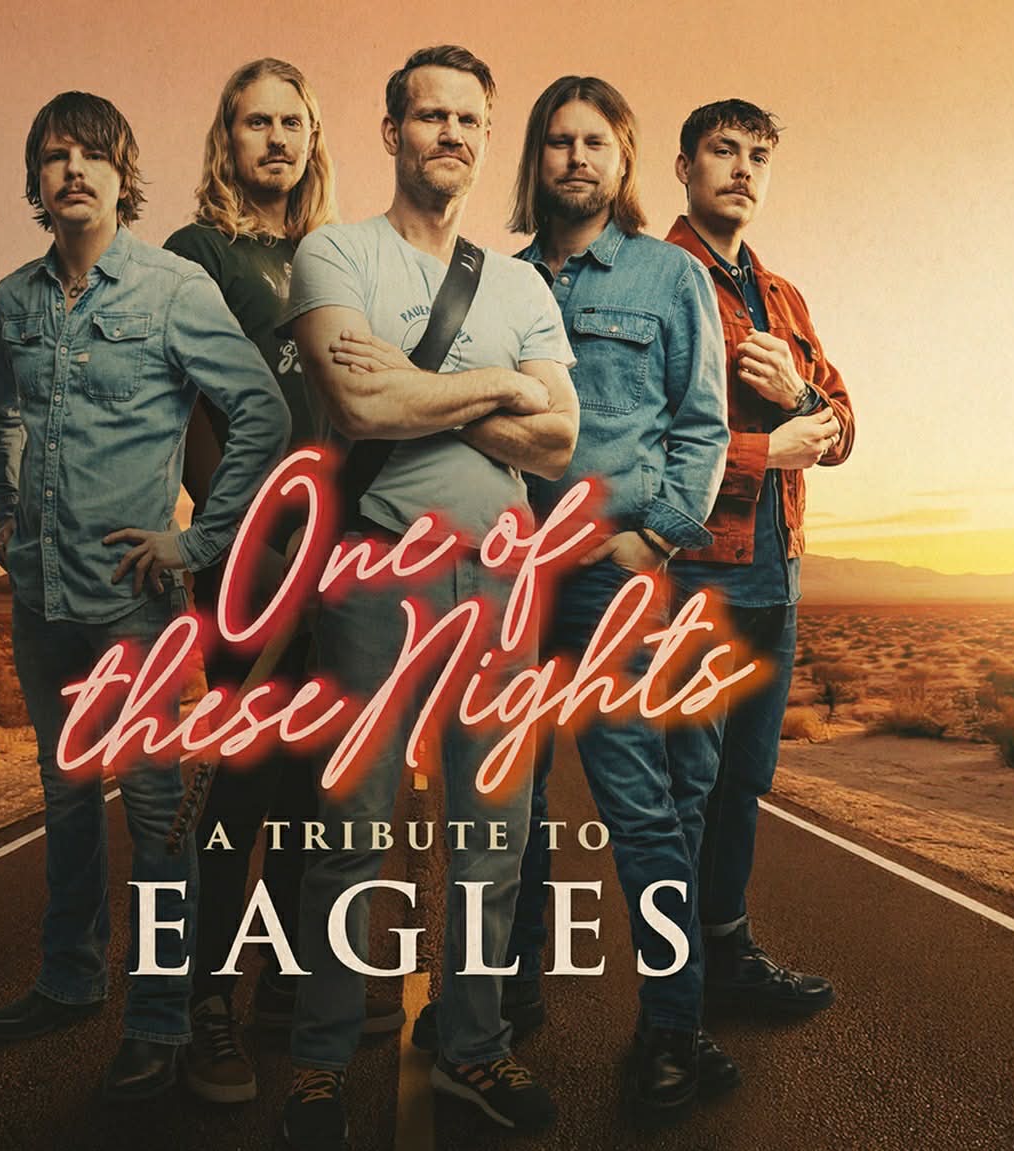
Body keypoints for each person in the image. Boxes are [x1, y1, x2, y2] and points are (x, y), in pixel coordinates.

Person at [275, 44, 579, 1150]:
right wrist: (499, 382)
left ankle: (470, 1045)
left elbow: (558, 439)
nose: (449, 134)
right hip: (372, 569)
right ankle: (316, 1065)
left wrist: (426, 394)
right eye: (429, 116)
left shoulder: (522, 284)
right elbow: (355, 401)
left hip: (498, 578)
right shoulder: (334, 253)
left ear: (483, 139)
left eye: (468, 120)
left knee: (490, 830)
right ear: (392, 132)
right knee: (350, 829)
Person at [0, 90, 289, 1102]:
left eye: (92, 157)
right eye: (54, 157)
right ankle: (67, 979)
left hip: (133, 607)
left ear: (122, 175)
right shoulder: (14, 299)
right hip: (41, 601)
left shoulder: (170, 288)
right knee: (64, 803)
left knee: (155, 819)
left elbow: (262, 414)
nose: (72, 172)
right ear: (36, 180)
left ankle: (156, 1020)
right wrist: (4, 514)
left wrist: (196, 538)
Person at [494, 74, 735, 1124]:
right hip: (506, 578)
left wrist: (653, 533)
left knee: (636, 804)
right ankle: (505, 1000)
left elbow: (703, 424)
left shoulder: (666, 278)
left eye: (595, 142)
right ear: (535, 160)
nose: (575, 158)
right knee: (507, 801)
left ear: (622, 162)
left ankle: (673, 1027)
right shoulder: (496, 288)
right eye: (557, 141)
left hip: (609, 571)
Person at [162, 57, 401, 1107]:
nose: (275, 140)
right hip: (249, 565)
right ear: (228, 139)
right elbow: (190, 420)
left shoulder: (338, 259)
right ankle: (202, 1005)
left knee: (315, 787)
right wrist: (255, 548)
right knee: (241, 791)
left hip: (340, 559)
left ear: (313, 138)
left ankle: (288, 988)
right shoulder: (195, 255)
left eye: (291, 123)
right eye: (254, 122)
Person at [662, 98, 855, 1020]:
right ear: (685, 167)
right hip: (692, 574)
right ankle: (673, 1001)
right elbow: (634, 444)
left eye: (758, 156)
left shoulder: (786, 298)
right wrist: (763, 452)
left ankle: (727, 959)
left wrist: (800, 390)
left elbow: (845, 425)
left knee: (745, 781)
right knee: (684, 790)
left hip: (777, 572)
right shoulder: (655, 279)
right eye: (723, 151)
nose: (742, 168)